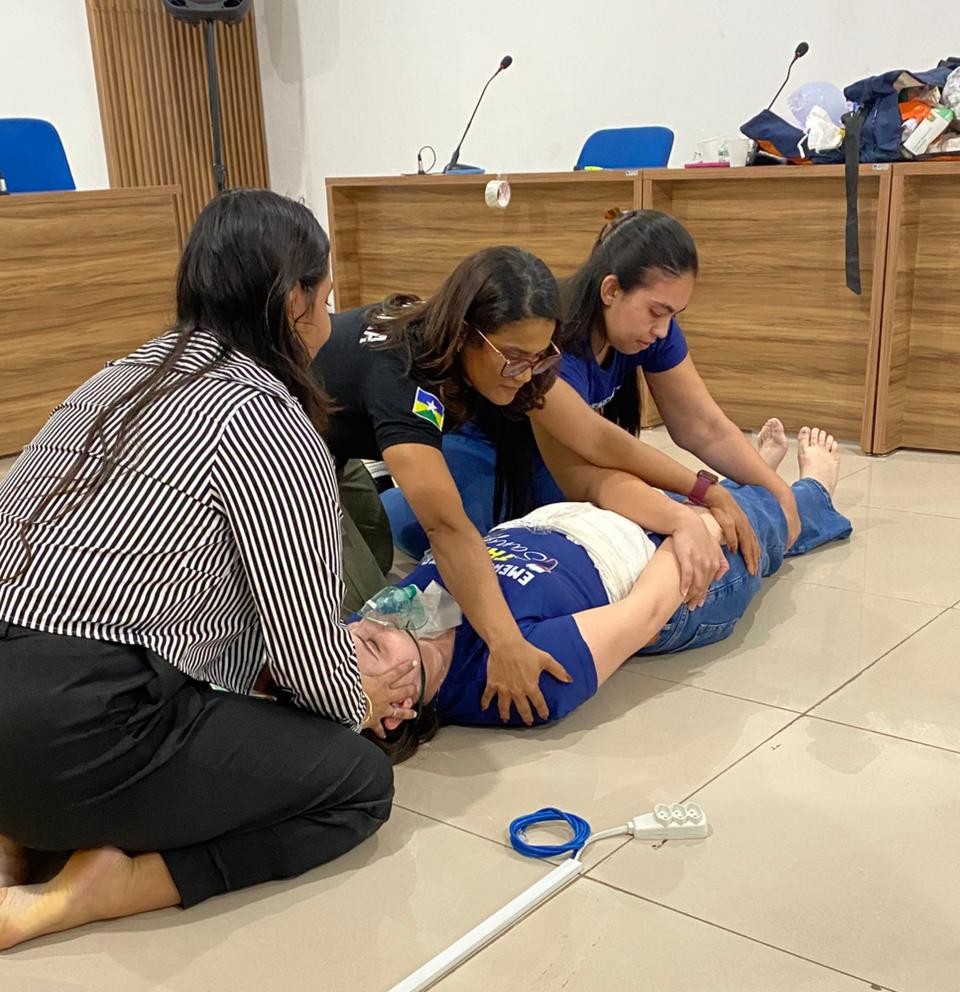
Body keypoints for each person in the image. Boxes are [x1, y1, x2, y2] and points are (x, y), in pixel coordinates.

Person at [0, 190, 420, 952]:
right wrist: (366, 698)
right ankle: (110, 887)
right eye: (325, 300)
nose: (329, 324)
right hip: (76, 727)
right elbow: (309, 667)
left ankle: (23, 831)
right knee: (359, 784)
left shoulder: (115, 375)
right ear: (292, 301)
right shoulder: (266, 416)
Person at [383, 210, 802, 608]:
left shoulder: (652, 331)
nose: (663, 329)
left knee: (692, 512)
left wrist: (780, 493)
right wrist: (704, 491)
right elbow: (596, 444)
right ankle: (385, 497)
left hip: (564, 466)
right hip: (489, 458)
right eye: (656, 311)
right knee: (470, 546)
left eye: (673, 315)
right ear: (611, 290)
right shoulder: (551, 340)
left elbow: (703, 426)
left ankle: (796, 488)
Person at [353, 424, 851, 756]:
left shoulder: (391, 620)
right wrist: (695, 530)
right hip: (669, 578)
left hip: (587, 519)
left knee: (703, 499)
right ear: (395, 711)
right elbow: (646, 611)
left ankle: (747, 483)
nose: (360, 628)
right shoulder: (515, 684)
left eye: (347, 633)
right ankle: (814, 490)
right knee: (761, 523)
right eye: (370, 647)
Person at [311, 247, 574, 726]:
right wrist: (506, 642)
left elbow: (594, 439)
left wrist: (699, 490)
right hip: (276, 454)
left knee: (378, 553)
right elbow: (445, 528)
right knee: (360, 613)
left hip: (332, 443)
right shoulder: (401, 372)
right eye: (513, 357)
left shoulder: (445, 343)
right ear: (465, 333)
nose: (524, 373)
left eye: (539, 357)